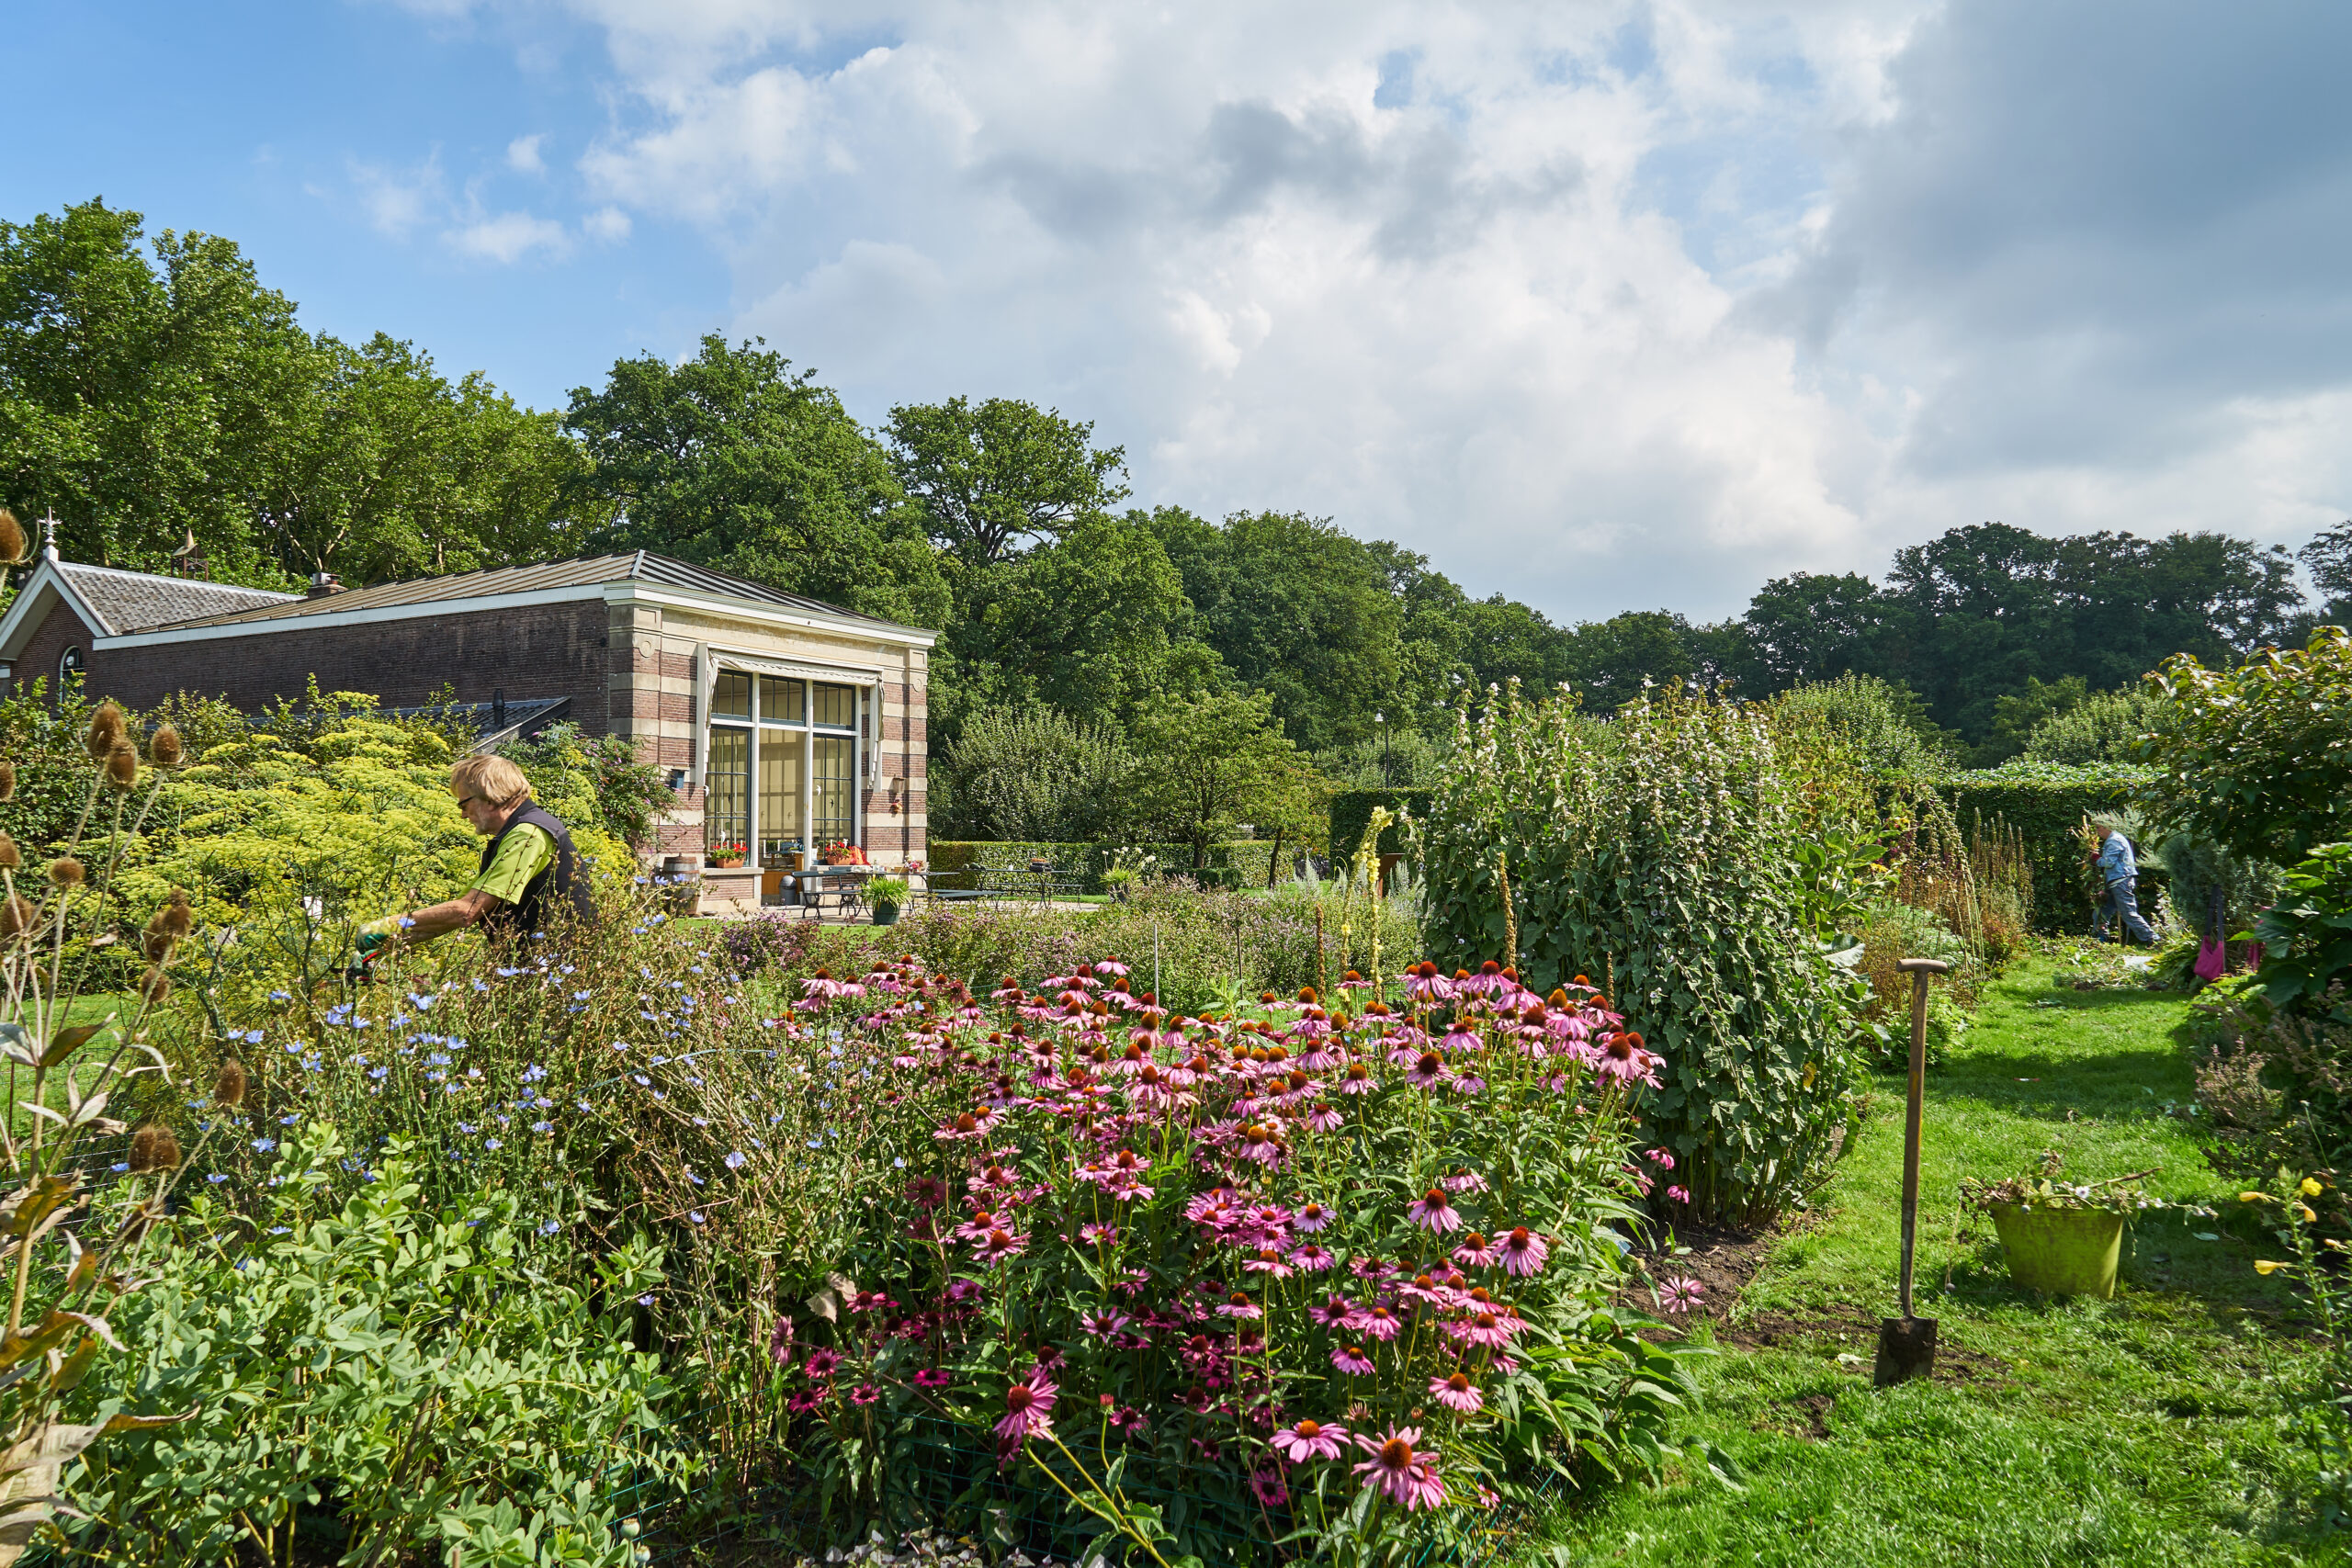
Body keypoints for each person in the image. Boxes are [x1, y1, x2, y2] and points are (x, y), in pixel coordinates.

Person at [358, 755, 594, 957]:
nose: (463, 815)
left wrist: (387, 925)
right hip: (544, 970)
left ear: (490, 796)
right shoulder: (521, 831)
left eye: (463, 805)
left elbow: (467, 911)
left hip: (556, 975)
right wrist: (384, 946)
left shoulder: (527, 834)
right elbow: (452, 917)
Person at [2088, 817, 2156, 946]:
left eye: (2098, 828)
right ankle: (2099, 940)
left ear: (2107, 826)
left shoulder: (2114, 841)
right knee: (2101, 910)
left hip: (2121, 882)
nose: (2097, 831)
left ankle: (2153, 939)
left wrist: (2096, 858)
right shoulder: (2113, 840)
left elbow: (2108, 862)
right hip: (2115, 882)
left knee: (2128, 914)